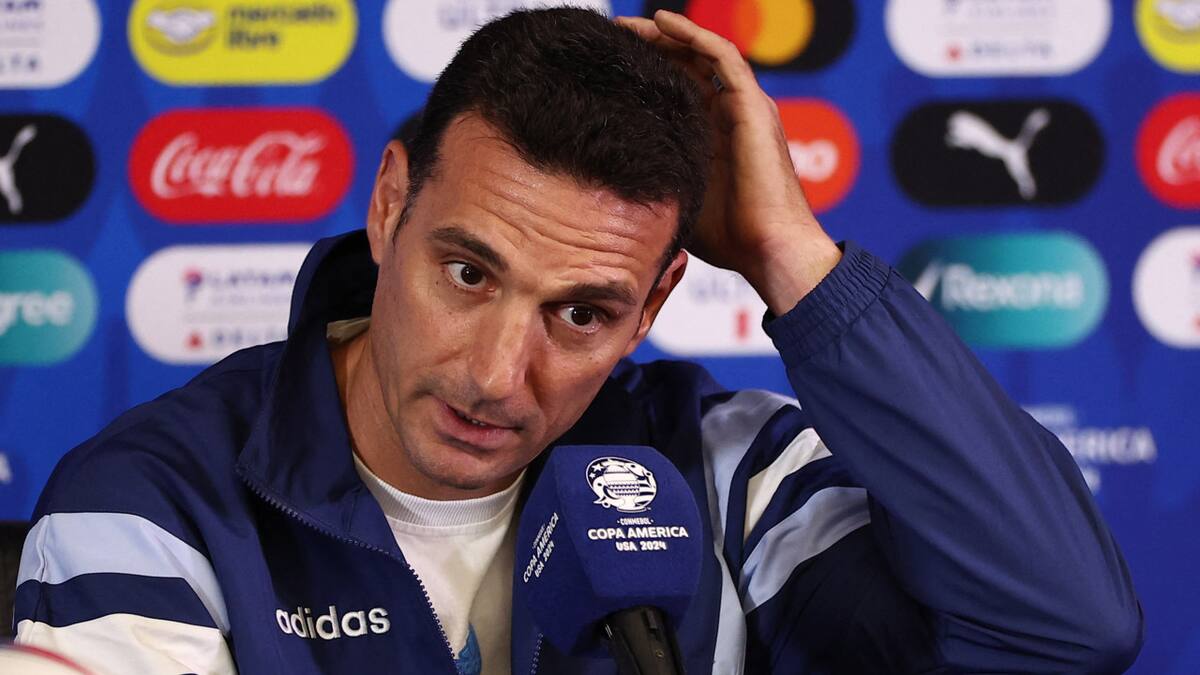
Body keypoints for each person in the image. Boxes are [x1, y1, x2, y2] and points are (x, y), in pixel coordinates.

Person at [13, 8, 1141, 675]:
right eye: (468, 273)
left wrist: (793, 255)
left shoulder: (726, 469)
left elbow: (1064, 630)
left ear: (652, 308)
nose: (499, 376)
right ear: (387, 204)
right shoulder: (151, 505)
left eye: (583, 313)